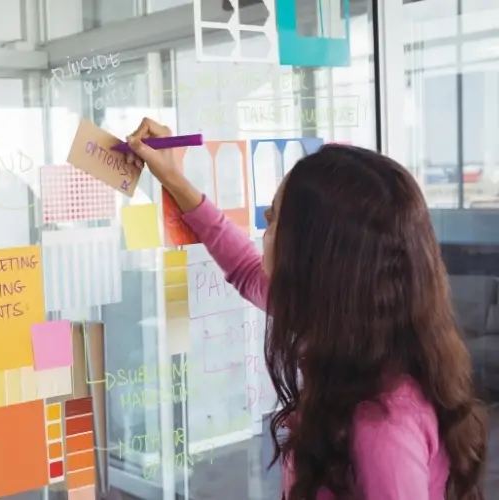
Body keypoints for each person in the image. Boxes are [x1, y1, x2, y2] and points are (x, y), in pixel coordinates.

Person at [123, 118, 488, 499]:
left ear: (315, 254)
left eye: (274, 217)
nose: (265, 229)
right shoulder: (345, 325)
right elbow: (245, 269)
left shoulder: (382, 427)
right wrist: (174, 180)